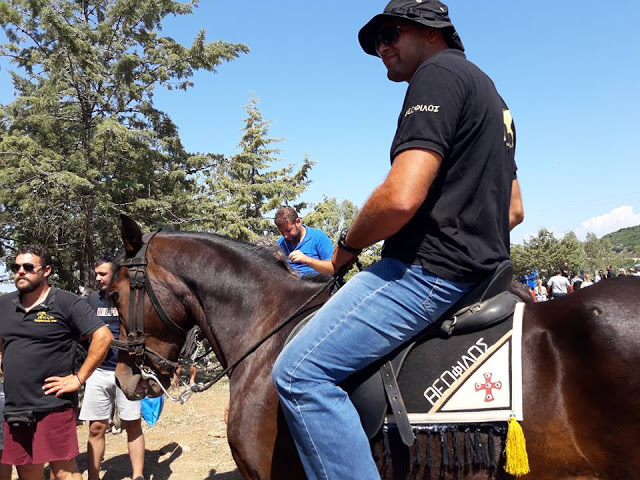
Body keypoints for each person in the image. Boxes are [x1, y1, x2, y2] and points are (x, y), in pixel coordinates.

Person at [272, 1, 524, 478]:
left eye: (391, 33)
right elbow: (514, 210)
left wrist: (344, 252)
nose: (382, 47)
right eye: (376, 42)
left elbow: (400, 197)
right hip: (484, 276)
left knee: (299, 374)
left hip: (425, 272)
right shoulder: (496, 99)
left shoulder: (436, 76)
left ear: (432, 32)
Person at [0, 245, 112, 480]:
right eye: (16, 267)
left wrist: (79, 378)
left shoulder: (66, 302)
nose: (21, 271)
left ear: (46, 270)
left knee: (63, 470)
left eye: (29, 267)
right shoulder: (4, 305)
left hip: (52, 404)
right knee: (27, 468)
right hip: (15, 405)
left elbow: (103, 336)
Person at [78, 257, 145, 480]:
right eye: (96, 274)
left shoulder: (130, 298)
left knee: (132, 425)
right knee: (96, 427)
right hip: (98, 371)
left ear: (115, 273)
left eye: (102, 274)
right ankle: (94, 477)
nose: (98, 278)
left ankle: (138, 476)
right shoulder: (90, 301)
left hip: (127, 369)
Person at [274, 206, 335, 276]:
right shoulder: (280, 244)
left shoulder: (318, 237)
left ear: (298, 222)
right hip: (290, 285)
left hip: (318, 285)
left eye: (288, 230)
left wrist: (306, 260)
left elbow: (332, 269)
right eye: (282, 232)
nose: (285, 236)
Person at [173, 326, 204, 392]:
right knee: (178, 361)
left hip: (194, 337)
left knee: (194, 362)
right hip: (184, 336)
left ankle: (192, 381)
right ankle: (175, 382)